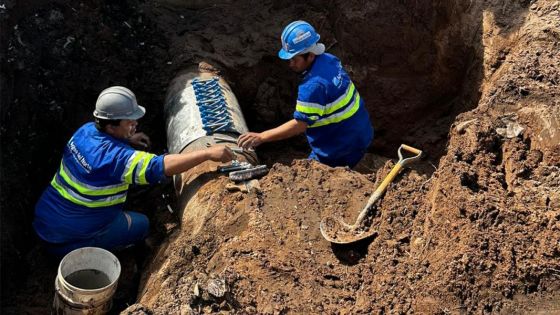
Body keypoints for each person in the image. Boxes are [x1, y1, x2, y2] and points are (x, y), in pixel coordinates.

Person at [33, 86, 234, 257]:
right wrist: (207, 153)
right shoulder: (115, 159)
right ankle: (131, 254)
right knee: (142, 224)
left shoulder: (85, 130)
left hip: (45, 219)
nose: (135, 124)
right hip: (71, 241)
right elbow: (159, 166)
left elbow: (102, 150)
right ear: (111, 127)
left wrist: (127, 138)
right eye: (129, 122)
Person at [238, 20, 373, 168]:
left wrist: (262, 137)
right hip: (361, 132)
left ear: (310, 56)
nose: (291, 64)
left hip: (339, 148)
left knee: (309, 177)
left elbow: (300, 125)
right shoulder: (330, 60)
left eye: (294, 59)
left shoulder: (313, 86)